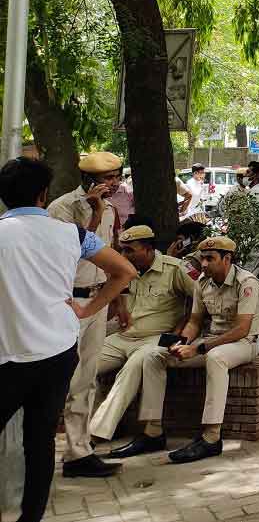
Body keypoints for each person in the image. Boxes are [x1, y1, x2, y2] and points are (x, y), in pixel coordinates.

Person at [0, 157, 134, 521]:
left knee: (60, 416)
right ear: (44, 194)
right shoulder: (69, 228)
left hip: (11, 354)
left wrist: (93, 308)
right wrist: (87, 311)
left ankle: (79, 452)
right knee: (39, 443)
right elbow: (125, 270)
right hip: (57, 350)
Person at [127, 236, 259, 463]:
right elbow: (194, 320)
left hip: (245, 343)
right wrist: (182, 342)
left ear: (227, 259)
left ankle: (211, 437)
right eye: (202, 258)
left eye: (210, 259)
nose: (204, 264)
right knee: (154, 355)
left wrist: (199, 348)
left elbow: (242, 329)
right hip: (211, 341)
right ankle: (152, 432)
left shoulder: (246, 282)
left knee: (216, 358)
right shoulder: (202, 282)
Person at [47, 150, 126, 478]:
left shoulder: (110, 209)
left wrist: (118, 300)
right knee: (58, 378)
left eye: (116, 177)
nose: (114, 184)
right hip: (70, 303)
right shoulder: (63, 208)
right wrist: (92, 214)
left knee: (86, 379)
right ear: (89, 182)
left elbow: (111, 255)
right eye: (107, 179)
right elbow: (69, 254)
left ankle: (78, 453)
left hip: (98, 299)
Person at [90, 220, 196, 449]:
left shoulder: (176, 268)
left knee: (131, 369)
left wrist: (183, 328)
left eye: (130, 250)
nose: (124, 254)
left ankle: (94, 435)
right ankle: (81, 427)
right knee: (83, 367)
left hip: (154, 338)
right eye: (122, 249)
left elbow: (202, 298)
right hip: (123, 336)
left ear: (148, 249)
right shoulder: (123, 270)